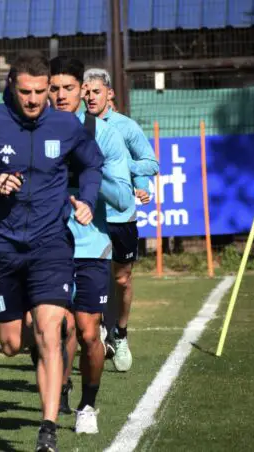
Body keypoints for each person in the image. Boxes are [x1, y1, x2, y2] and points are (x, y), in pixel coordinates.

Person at [0, 50, 104, 452]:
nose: (34, 100)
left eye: (40, 92)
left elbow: (91, 165)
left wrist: (86, 198)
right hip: (2, 248)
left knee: (50, 331)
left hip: (51, 244)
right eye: (26, 92)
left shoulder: (66, 125)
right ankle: (38, 348)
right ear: (11, 87)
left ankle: (48, 428)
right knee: (12, 344)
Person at [49, 56, 135, 433]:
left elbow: (122, 199)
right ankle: (59, 392)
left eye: (69, 88)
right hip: (48, 247)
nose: (61, 95)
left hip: (92, 247)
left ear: (82, 92)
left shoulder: (103, 134)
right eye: (54, 89)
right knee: (55, 328)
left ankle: (87, 405)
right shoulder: (32, 134)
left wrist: (91, 174)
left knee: (86, 332)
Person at [82, 68, 159, 372]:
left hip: (121, 215)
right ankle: (97, 330)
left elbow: (150, 163)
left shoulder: (125, 128)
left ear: (109, 94)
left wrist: (133, 174)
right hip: (88, 216)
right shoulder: (75, 125)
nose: (89, 97)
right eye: (85, 91)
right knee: (91, 277)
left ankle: (121, 333)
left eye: (95, 91)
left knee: (121, 279)